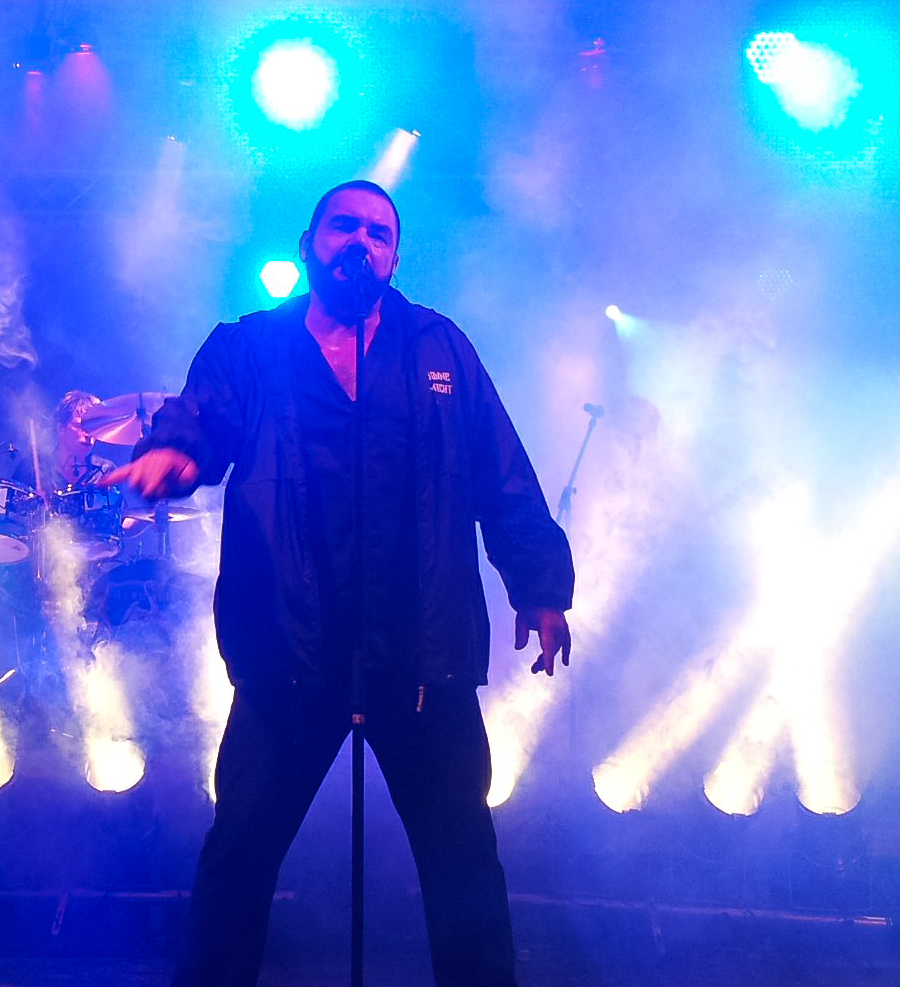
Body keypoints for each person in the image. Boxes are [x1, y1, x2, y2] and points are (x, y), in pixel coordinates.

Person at [102, 180, 575, 987]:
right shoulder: (251, 346)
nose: (361, 243)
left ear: (393, 258)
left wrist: (538, 582)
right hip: (288, 651)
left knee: (463, 863)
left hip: (420, 655)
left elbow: (499, 470)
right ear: (308, 245)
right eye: (344, 227)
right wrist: (173, 454)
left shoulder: (438, 348)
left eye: (379, 234)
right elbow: (199, 419)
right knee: (239, 854)